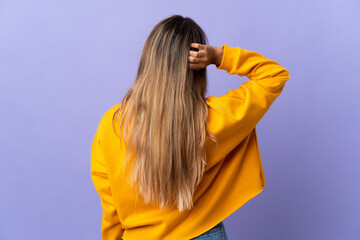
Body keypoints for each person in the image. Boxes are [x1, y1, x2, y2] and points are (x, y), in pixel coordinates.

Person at [90, 14, 290, 240]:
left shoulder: (112, 124)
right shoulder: (213, 117)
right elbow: (274, 75)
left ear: (149, 60)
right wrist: (219, 56)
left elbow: (110, 203)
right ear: (197, 67)